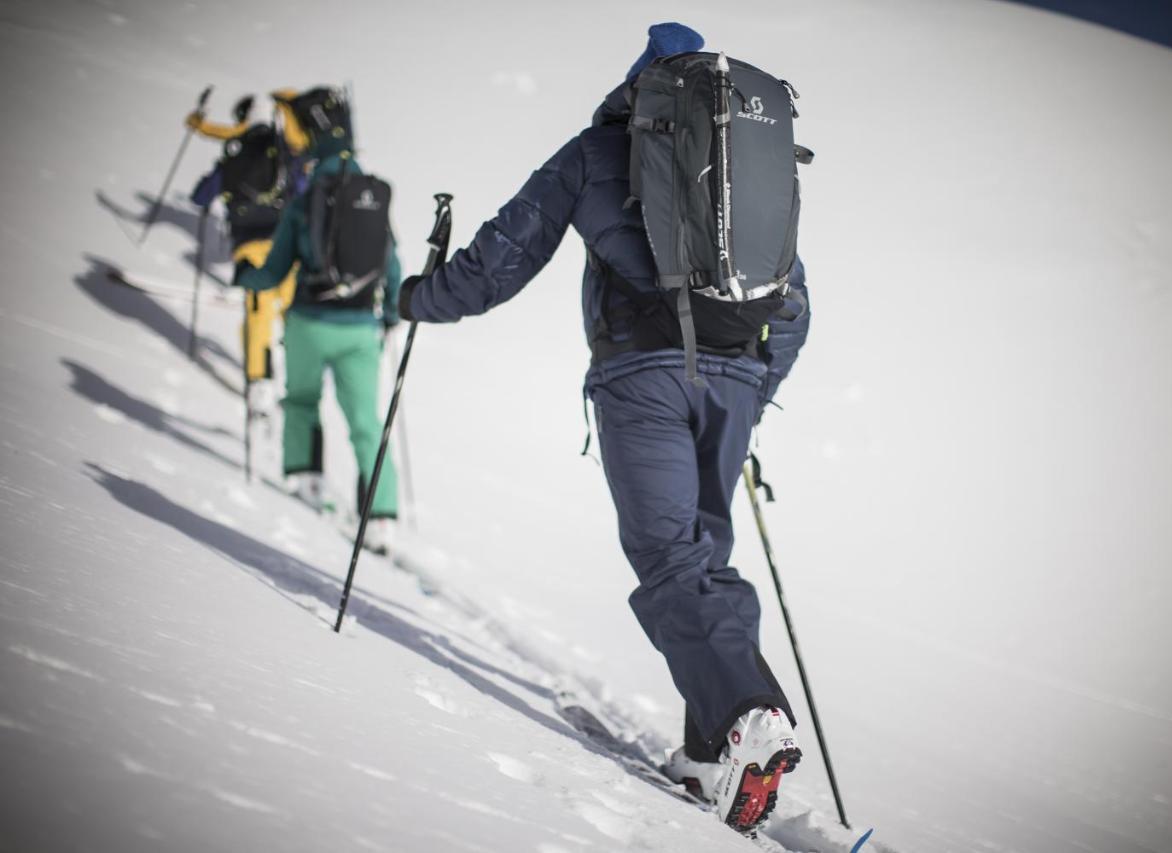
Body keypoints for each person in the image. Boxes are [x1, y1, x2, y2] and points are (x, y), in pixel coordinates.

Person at [399, 23, 811, 832]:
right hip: (731, 383)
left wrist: (420, 298)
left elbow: (498, 263)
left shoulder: (593, 153)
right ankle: (707, 754)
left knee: (669, 559)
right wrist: (752, 395)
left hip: (643, 381)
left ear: (637, 85)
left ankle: (747, 713)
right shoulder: (737, 168)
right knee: (705, 558)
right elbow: (792, 301)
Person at [237, 87, 403, 553]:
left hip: (309, 321)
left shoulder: (306, 199)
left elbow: (273, 271)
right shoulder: (371, 196)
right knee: (366, 422)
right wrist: (389, 313)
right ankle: (381, 516)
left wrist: (247, 279)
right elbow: (392, 266)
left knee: (303, 399)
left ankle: (305, 479)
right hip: (360, 331)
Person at [186, 94, 301, 412]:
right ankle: (302, 371)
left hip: (250, 249)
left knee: (258, 313)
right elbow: (303, 191)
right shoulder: (286, 158)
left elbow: (200, 197)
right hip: (287, 246)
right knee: (292, 308)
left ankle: (259, 380)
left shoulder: (233, 158)